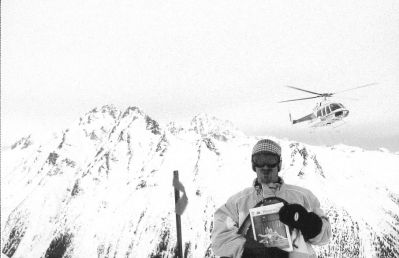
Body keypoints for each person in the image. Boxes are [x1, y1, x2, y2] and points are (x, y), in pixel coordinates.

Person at [211, 139, 331, 258]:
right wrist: (251, 252)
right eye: (259, 160)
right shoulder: (237, 203)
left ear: (279, 164)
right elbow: (220, 240)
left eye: (271, 160)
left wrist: (307, 222)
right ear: (253, 165)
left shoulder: (304, 197)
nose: (265, 166)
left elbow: (325, 236)